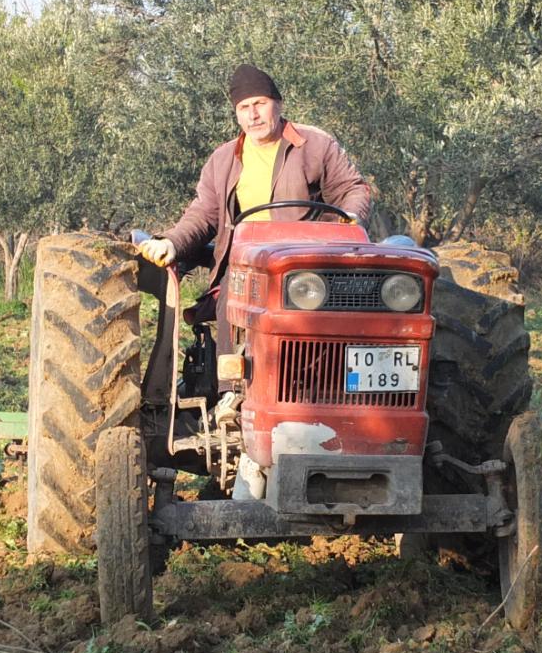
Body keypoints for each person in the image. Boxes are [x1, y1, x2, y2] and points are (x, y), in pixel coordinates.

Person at [136, 64, 372, 421]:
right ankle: (232, 393)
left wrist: (349, 220)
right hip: (249, 262)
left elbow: (352, 188)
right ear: (236, 114)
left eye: (260, 103)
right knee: (232, 294)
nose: (253, 114)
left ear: (277, 104)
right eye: (244, 108)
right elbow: (203, 214)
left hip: (309, 263)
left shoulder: (315, 144)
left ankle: (334, 391)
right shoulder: (223, 158)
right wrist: (171, 241)